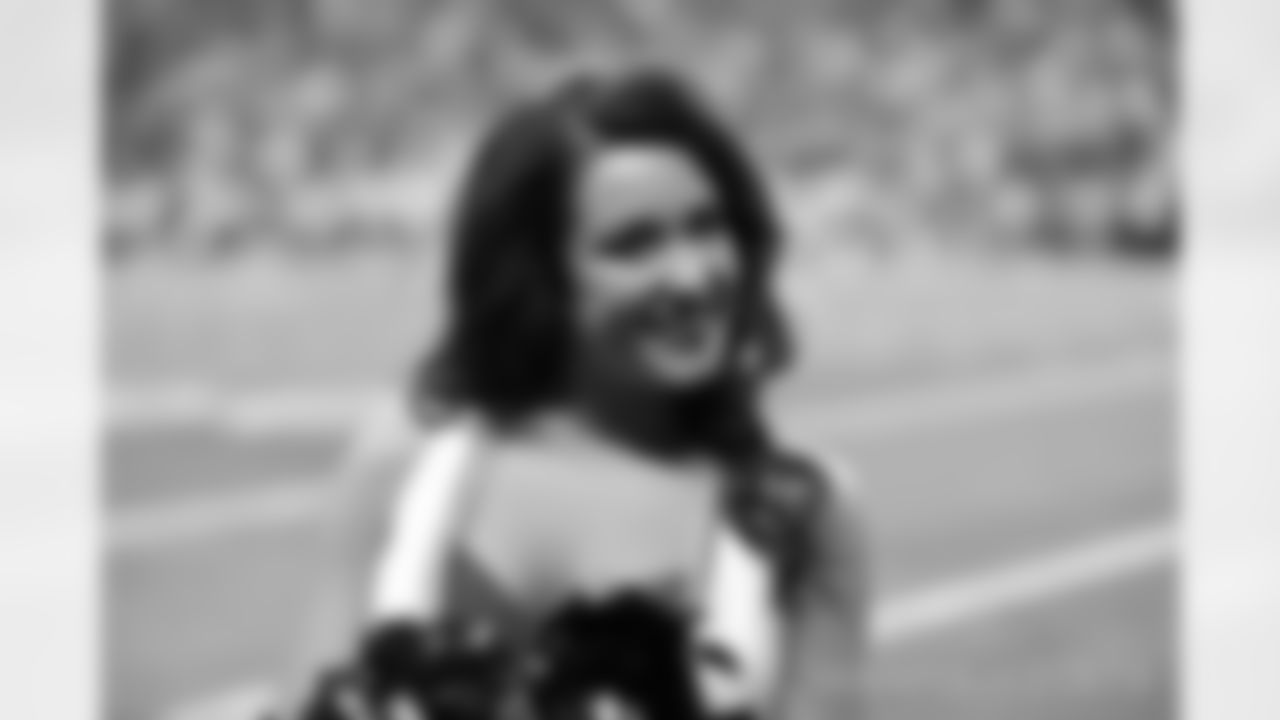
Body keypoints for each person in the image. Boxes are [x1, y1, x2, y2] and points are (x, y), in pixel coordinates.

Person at [276, 66, 869, 720]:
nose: (693, 276)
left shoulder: (798, 512)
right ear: (536, 273)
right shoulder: (408, 466)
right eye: (633, 245)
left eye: (707, 227)